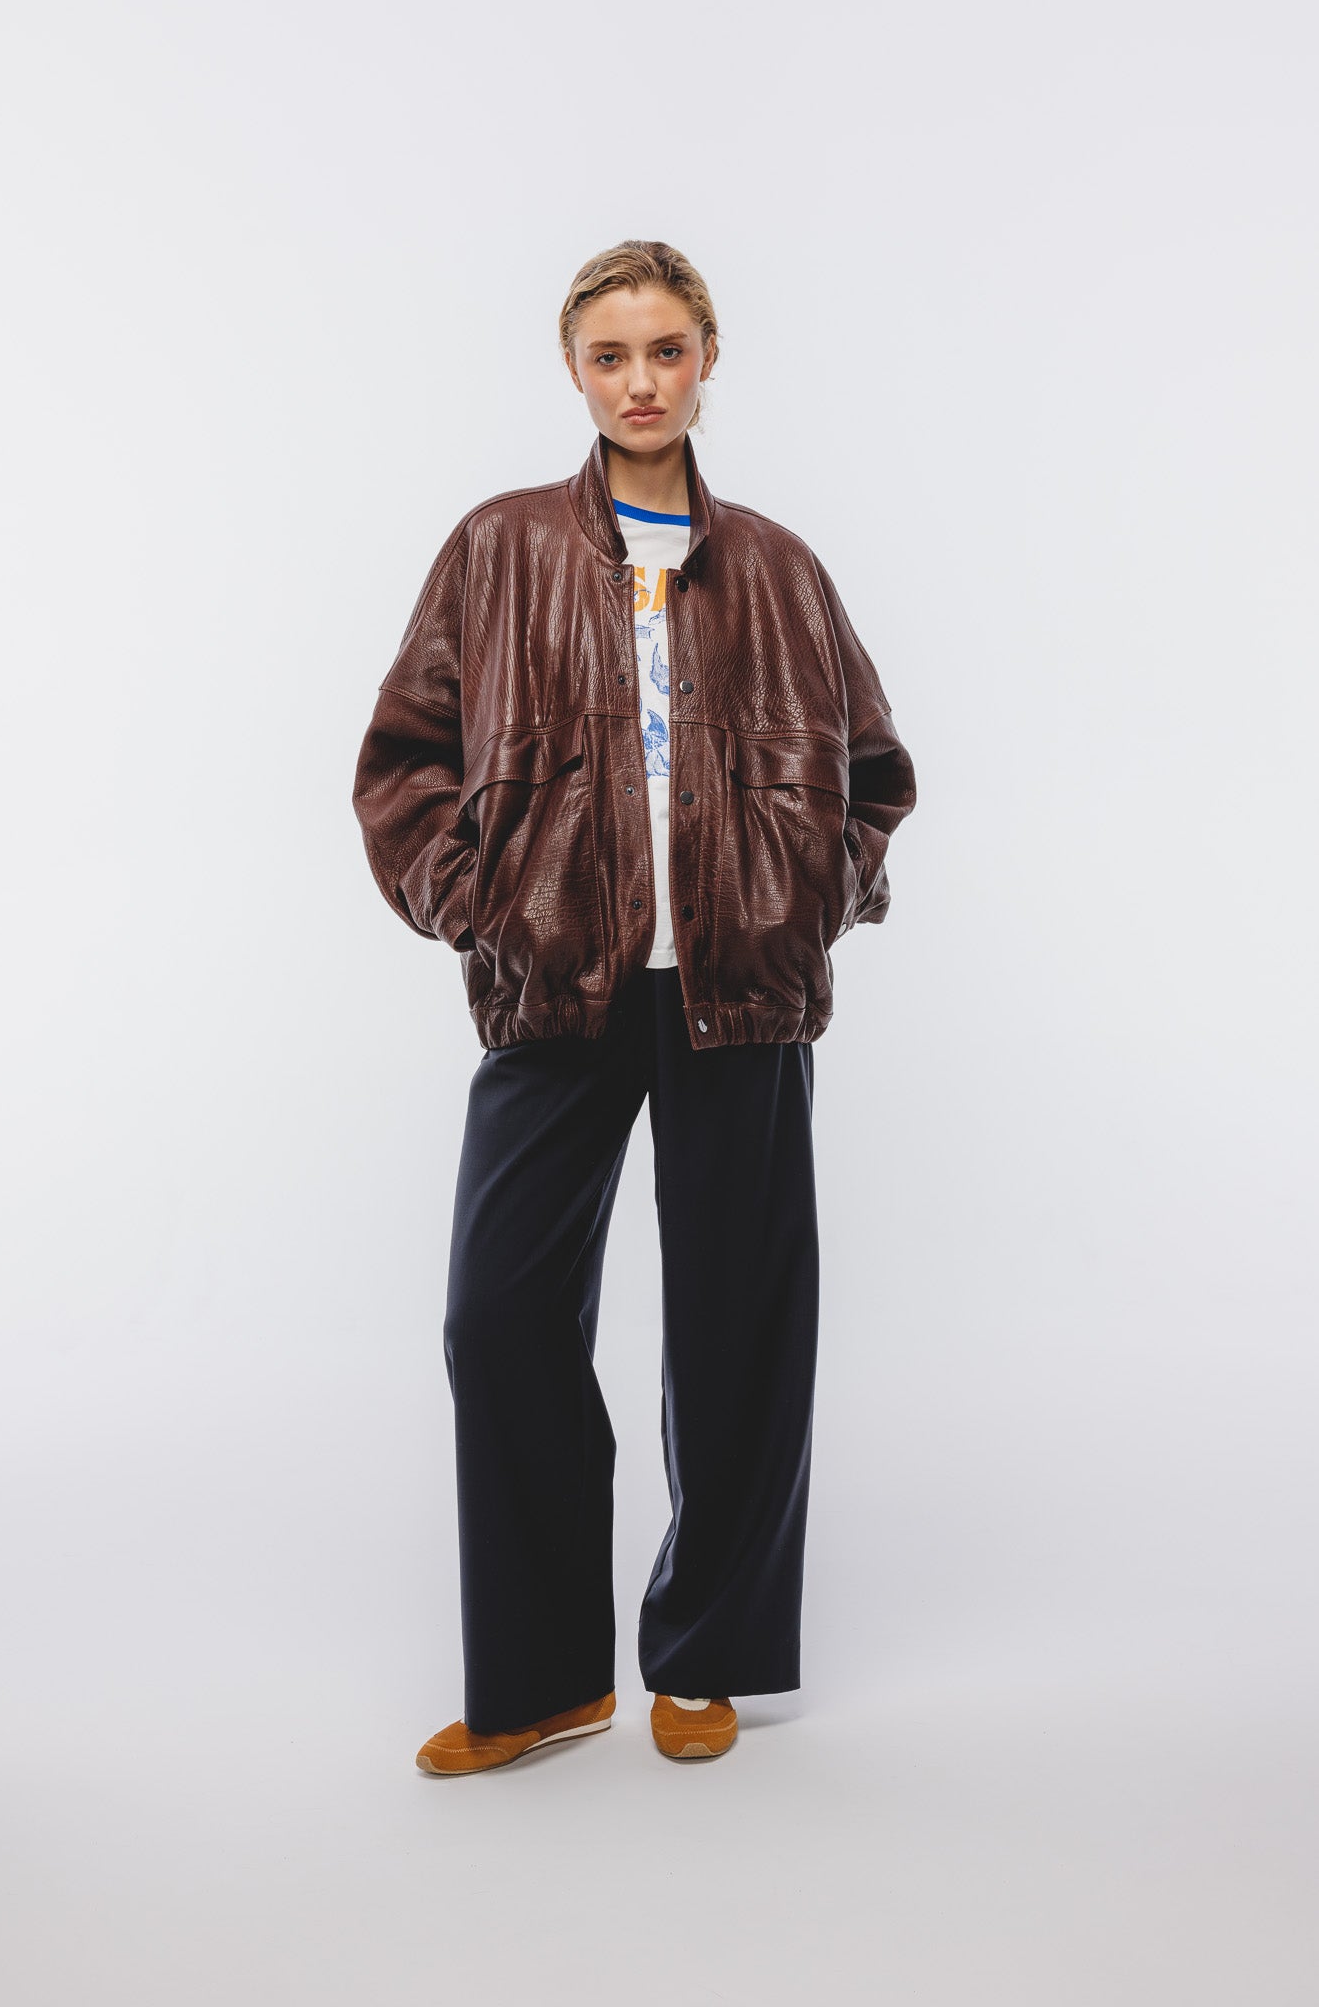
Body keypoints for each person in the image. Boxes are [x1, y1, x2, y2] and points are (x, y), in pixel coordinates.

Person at [351, 240, 917, 1774]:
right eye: (610, 356)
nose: (640, 381)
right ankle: (543, 1677)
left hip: (740, 996)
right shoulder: (500, 549)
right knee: (499, 1318)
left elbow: (872, 773)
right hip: (557, 984)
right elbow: (402, 764)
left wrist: (806, 899)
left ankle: (706, 1655)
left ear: (707, 358)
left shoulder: (779, 568)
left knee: (737, 1326)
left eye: (665, 350)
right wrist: (478, 912)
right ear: (574, 371)